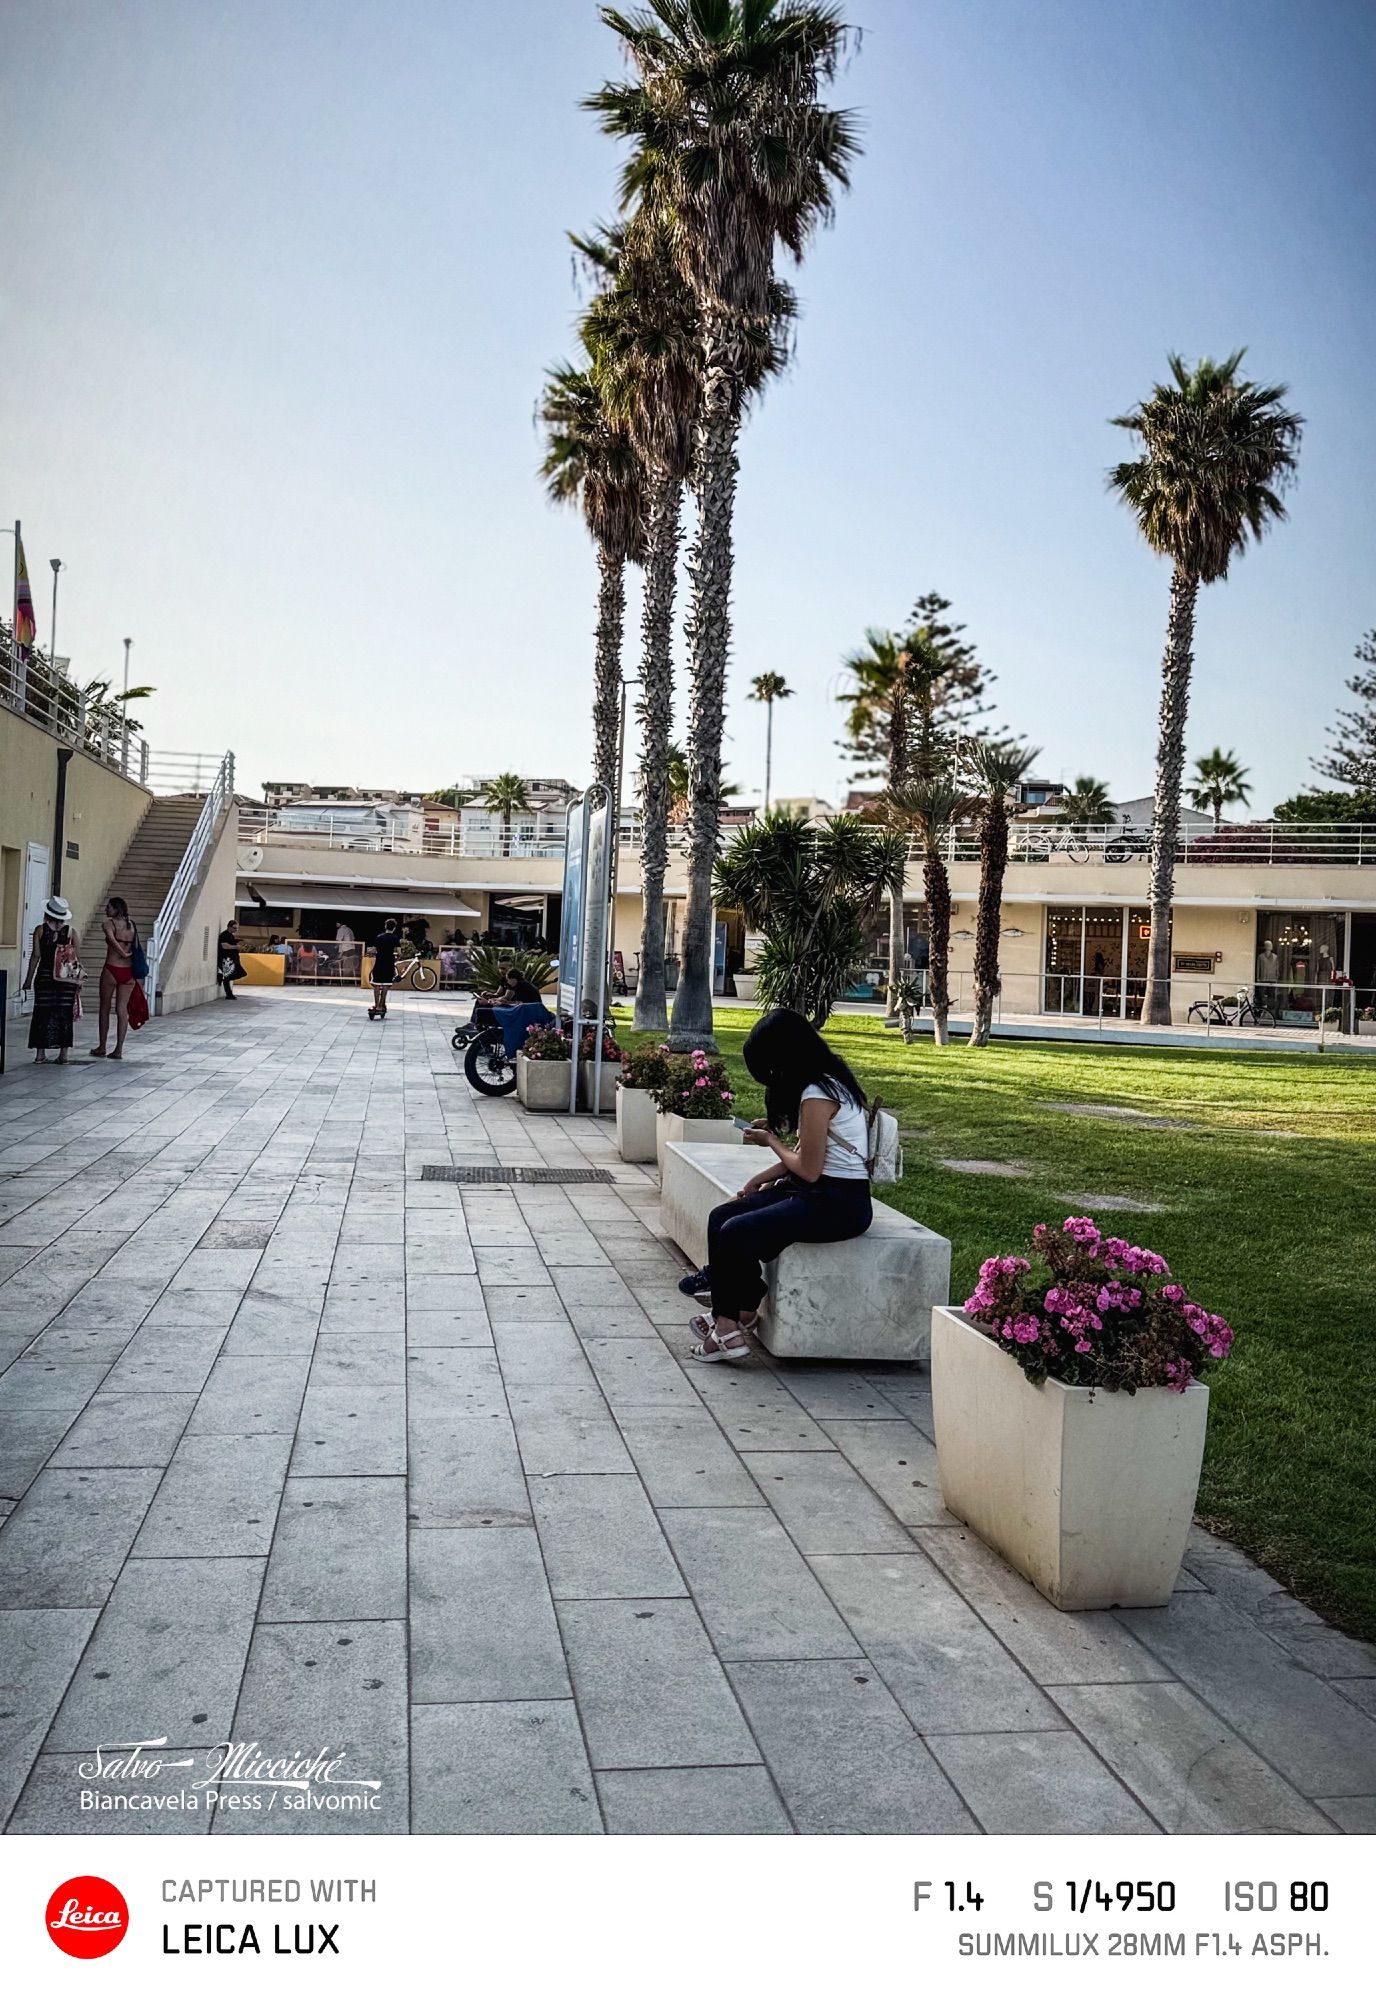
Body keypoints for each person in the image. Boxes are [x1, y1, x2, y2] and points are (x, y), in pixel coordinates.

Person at [686, 1008, 874, 1363]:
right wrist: (759, 1180)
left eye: (771, 1067)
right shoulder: (825, 1081)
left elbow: (809, 1169)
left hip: (839, 1204)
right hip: (815, 1191)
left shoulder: (819, 1094)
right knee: (721, 1216)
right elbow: (808, 1158)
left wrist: (770, 1140)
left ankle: (726, 1327)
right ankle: (740, 1311)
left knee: (736, 1231)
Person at [23, 894, 81, 1064]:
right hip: (65, 980)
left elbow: (36, 956)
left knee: (42, 1013)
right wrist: (77, 982)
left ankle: (40, 1054)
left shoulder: (40, 930)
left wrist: (28, 979)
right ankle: (63, 1055)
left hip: (45, 978)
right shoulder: (71, 932)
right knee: (64, 1014)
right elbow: (75, 959)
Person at [92, 896, 138, 1059]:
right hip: (128, 972)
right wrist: (127, 954)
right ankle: (119, 1049)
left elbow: (111, 940)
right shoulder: (131, 925)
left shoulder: (108, 924)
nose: (106, 910)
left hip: (112, 968)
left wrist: (122, 953)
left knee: (105, 1007)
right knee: (122, 1010)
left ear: (116, 909)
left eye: (109, 907)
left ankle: (102, 1046)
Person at [369, 918, 399, 1020]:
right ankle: (382, 1005)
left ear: (385, 926)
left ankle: (376, 1005)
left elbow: (373, 950)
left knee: (376, 984)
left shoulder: (379, 937)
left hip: (379, 962)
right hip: (389, 963)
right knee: (386, 984)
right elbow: (399, 952)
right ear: (394, 928)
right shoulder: (395, 938)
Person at [217, 921, 246, 998]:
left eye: (237, 928)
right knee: (229, 976)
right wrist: (236, 947)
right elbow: (224, 946)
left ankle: (222, 977)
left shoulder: (231, 936)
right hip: (226, 960)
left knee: (240, 973)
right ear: (229, 927)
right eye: (234, 928)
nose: (236, 930)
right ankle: (229, 994)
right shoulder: (224, 935)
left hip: (232, 959)